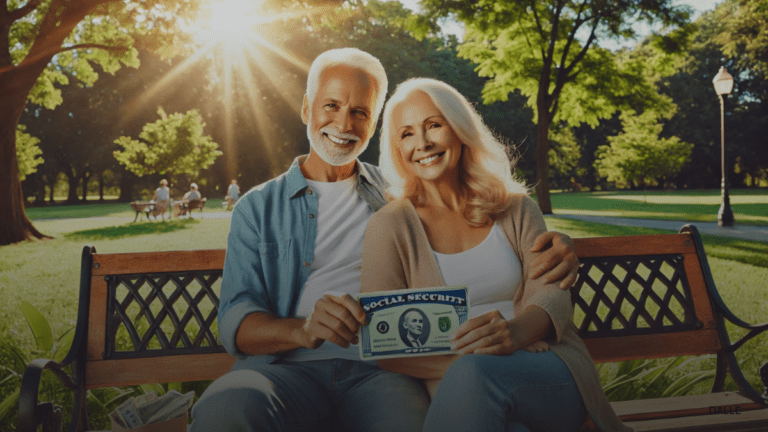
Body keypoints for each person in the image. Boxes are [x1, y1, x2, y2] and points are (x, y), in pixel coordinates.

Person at [190, 49, 580, 432]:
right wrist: (301, 330)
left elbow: (477, 214)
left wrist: (558, 242)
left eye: (360, 112)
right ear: (307, 109)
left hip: (381, 373)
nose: (344, 123)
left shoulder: (399, 193)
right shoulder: (256, 208)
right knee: (227, 408)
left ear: (374, 126)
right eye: (331, 106)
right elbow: (235, 319)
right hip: (286, 370)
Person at [360, 78, 632, 432]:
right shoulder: (390, 226)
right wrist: (476, 362)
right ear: (397, 149)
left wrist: (515, 336)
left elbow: (553, 295)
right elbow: (386, 346)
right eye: (407, 134)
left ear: (458, 129)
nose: (423, 143)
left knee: (476, 376)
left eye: (434, 125)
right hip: (461, 390)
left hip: (547, 369)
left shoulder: (515, 208)